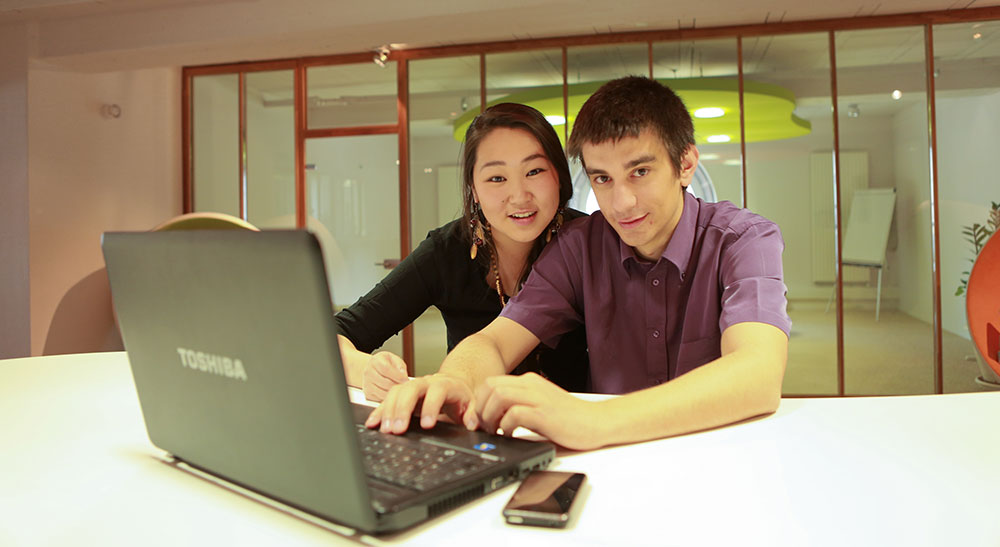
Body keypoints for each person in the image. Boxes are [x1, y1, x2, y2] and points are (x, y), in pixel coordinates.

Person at [366, 76, 792, 451]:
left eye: (639, 172)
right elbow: (493, 342)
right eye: (602, 179)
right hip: (609, 464)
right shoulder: (579, 245)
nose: (621, 203)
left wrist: (596, 420)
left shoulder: (744, 239)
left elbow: (757, 373)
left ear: (685, 164)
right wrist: (454, 381)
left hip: (719, 453)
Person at [336, 103, 589, 401]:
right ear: (474, 189)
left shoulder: (588, 243)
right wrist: (364, 369)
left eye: (534, 171)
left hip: (578, 432)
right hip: (476, 430)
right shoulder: (447, 250)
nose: (519, 196)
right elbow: (334, 333)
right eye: (497, 178)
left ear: (558, 175)